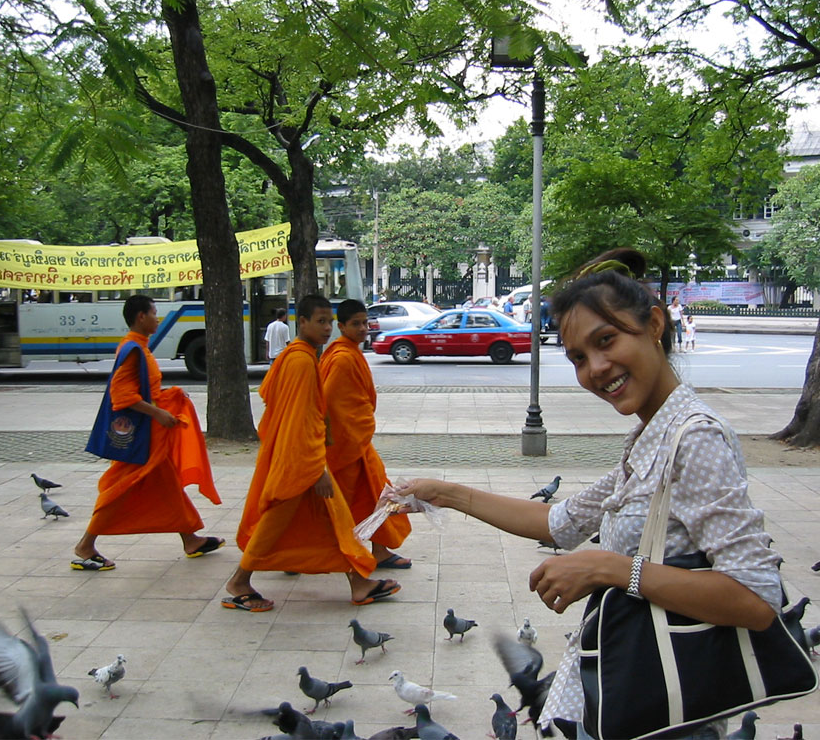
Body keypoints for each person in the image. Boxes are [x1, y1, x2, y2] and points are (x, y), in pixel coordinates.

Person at [399, 249, 779, 738]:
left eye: (607, 340)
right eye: (578, 357)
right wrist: (441, 491)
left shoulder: (694, 436)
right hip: (630, 692)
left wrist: (609, 568)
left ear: (655, 325)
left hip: (666, 713)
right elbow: (560, 523)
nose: (596, 368)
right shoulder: (650, 437)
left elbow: (754, 598)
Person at [224, 294, 399, 612]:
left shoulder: (297, 356)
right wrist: (316, 467)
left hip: (298, 456)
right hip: (301, 462)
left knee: (333, 521)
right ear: (301, 322)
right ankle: (239, 581)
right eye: (320, 321)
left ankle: (359, 583)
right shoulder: (302, 361)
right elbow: (302, 419)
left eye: (329, 322)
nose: (327, 328)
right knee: (279, 522)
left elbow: (279, 402)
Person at [72, 295, 223, 571]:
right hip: (143, 441)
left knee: (168, 487)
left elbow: (145, 391)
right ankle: (85, 545)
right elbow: (121, 396)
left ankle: (190, 539)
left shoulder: (140, 348)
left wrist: (170, 395)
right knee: (119, 490)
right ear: (141, 317)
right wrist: (159, 413)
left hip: (152, 439)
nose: (158, 318)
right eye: (154, 312)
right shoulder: (132, 350)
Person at [321, 299, 413, 569]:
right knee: (360, 500)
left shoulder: (348, 352)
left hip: (354, 443)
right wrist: (352, 431)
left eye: (365, 322)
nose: (363, 328)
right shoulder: (341, 358)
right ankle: (299, 553)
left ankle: (380, 549)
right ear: (341, 327)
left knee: (375, 495)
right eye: (355, 324)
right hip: (345, 444)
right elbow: (329, 404)